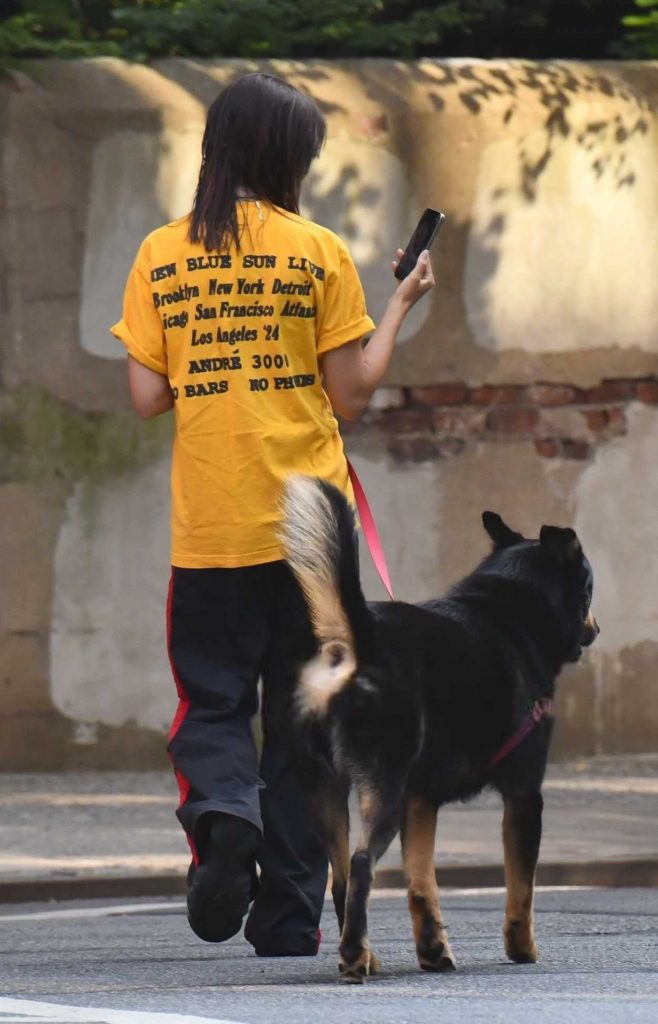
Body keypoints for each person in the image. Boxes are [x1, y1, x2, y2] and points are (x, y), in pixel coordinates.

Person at [111, 72, 434, 957]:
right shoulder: (318, 251)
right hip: (313, 536)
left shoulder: (159, 255)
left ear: (219, 149)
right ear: (288, 157)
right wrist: (399, 303)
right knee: (310, 719)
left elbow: (145, 396)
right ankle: (288, 918)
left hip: (212, 528)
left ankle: (222, 820)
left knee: (212, 702)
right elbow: (352, 393)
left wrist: (211, 354)